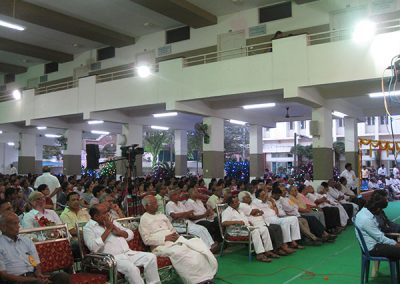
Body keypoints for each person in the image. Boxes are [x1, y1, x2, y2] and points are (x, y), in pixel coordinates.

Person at [139, 195, 218, 284]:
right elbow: (146, 240)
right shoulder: (144, 219)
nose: (157, 205)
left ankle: (206, 276)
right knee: (183, 254)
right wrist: (165, 238)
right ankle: (196, 281)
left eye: (156, 203)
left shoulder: (162, 215)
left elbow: (172, 229)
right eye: (154, 203)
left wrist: (176, 236)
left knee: (195, 250)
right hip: (160, 246)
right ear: (146, 206)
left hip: (174, 241)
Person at [84, 204, 160, 284]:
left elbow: (130, 234)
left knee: (151, 257)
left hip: (128, 253)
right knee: (132, 269)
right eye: (105, 213)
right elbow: (93, 247)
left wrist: (120, 232)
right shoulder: (88, 228)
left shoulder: (113, 222)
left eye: (108, 212)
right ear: (96, 216)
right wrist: (108, 230)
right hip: (111, 259)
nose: (108, 214)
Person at [0, 211, 71, 284]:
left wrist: (38, 274)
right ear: (3, 227)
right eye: (14, 223)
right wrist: (33, 280)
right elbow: (4, 275)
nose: (18, 226)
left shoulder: (26, 241)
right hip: (15, 280)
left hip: (32, 276)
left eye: (18, 223)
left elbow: (36, 262)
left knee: (62, 276)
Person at [354, 191, 400, 260]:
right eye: (381, 209)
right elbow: (380, 238)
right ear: (378, 207)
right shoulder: (366, 219)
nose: (380, 211)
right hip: (373, 248)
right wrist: (396, 244)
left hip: (377, 242)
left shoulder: (365, 211)